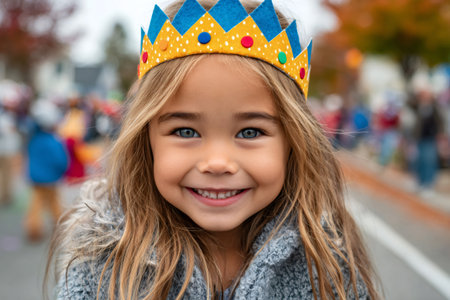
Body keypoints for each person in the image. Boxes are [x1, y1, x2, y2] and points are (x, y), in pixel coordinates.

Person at [46, 0, 380, 299]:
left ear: (293, 143)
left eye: (250, 131)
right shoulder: (99, 269)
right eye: (186, 131)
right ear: (146, 141)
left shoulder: (328, 263)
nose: (217, 163)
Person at [25, 100, 69, 242]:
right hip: (51, 179)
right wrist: (62, 171)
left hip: (36, 178)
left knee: (36, 205)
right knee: (55, 203)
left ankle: (33, 229)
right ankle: (61, 226)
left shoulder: (34, 139)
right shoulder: (54, 141)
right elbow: (61, 161)